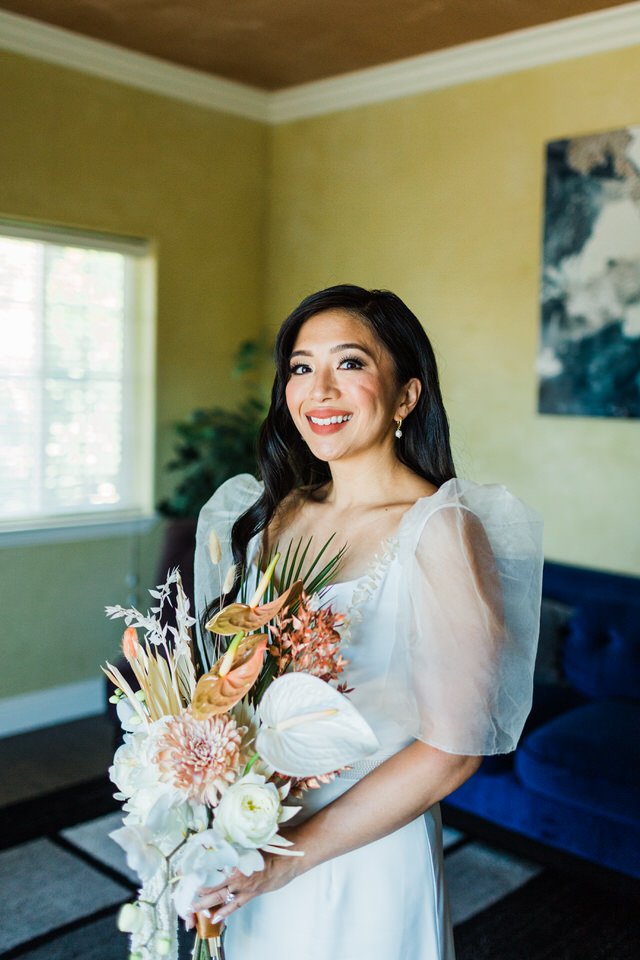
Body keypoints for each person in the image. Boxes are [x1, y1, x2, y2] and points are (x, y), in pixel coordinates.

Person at [192, 284, 543, 960]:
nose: (319, 390)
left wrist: (289, 860)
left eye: (349, 363)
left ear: (407, 396)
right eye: (301, 367)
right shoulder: (279, 513)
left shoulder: (441, 530)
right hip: (256, 831)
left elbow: (451, 753)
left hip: (361, 855)